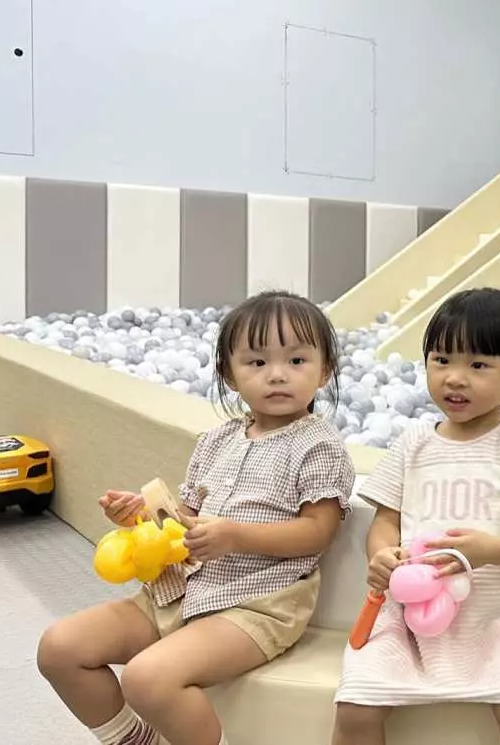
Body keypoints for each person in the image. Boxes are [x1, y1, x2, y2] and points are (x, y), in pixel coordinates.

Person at [36, 290, 358, 745]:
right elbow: (187, 519)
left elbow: (318, 532)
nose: (278, 374)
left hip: (256, 605)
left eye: (297, 360)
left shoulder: (318, 446)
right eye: (257, 362)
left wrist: (235, 537)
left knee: (146, 679)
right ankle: (135, 741)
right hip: (179, 593)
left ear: (324, 370)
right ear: (229, 373)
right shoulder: (216, 440)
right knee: (60, 648)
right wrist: (141, 517)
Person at [332, 288, 500, 745]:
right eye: (441, 360)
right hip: (408, 617)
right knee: (356, 703)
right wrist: (382, 555)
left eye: (478, 365)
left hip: (497, 621)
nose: (455, 378)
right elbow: (385, 520)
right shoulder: (413, 442)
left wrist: (489, 549)